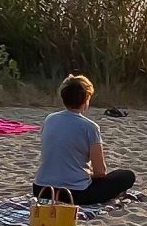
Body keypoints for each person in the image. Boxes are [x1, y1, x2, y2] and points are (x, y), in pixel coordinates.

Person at [33, 74, 138, 206]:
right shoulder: (90, 127)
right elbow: (100, 172)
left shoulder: (49, 119)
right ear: (86, 99)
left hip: (41, 189)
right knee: (127, 176)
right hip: (74, 194)